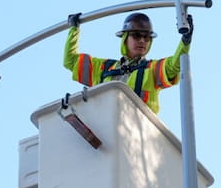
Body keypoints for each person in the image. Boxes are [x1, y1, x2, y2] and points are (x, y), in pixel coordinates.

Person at [63, 12, 193, 114]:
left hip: (137, 132)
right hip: (106, 129)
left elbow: (175, 64)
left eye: (146, 37)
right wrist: (74, 29)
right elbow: (70, 61)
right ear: (125, 38)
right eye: (136, 35)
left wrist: (185, 40)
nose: (142, 41)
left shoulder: (153, 69)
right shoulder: (103, 68)